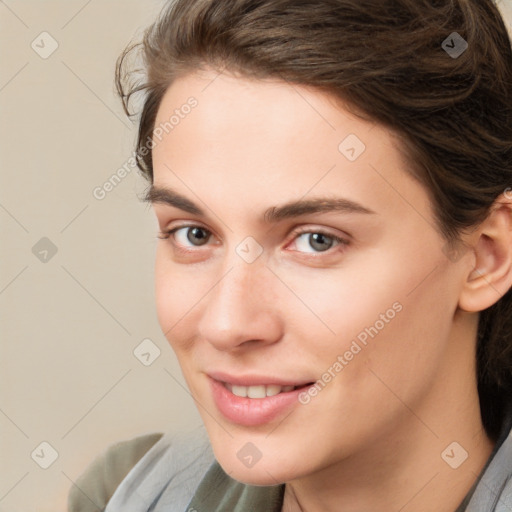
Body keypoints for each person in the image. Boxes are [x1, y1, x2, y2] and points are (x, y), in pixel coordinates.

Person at [68, 0, 512, 510]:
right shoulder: (125, 496)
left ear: (486, 256)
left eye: (316, 240)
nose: (227, 324)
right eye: (193, 234)